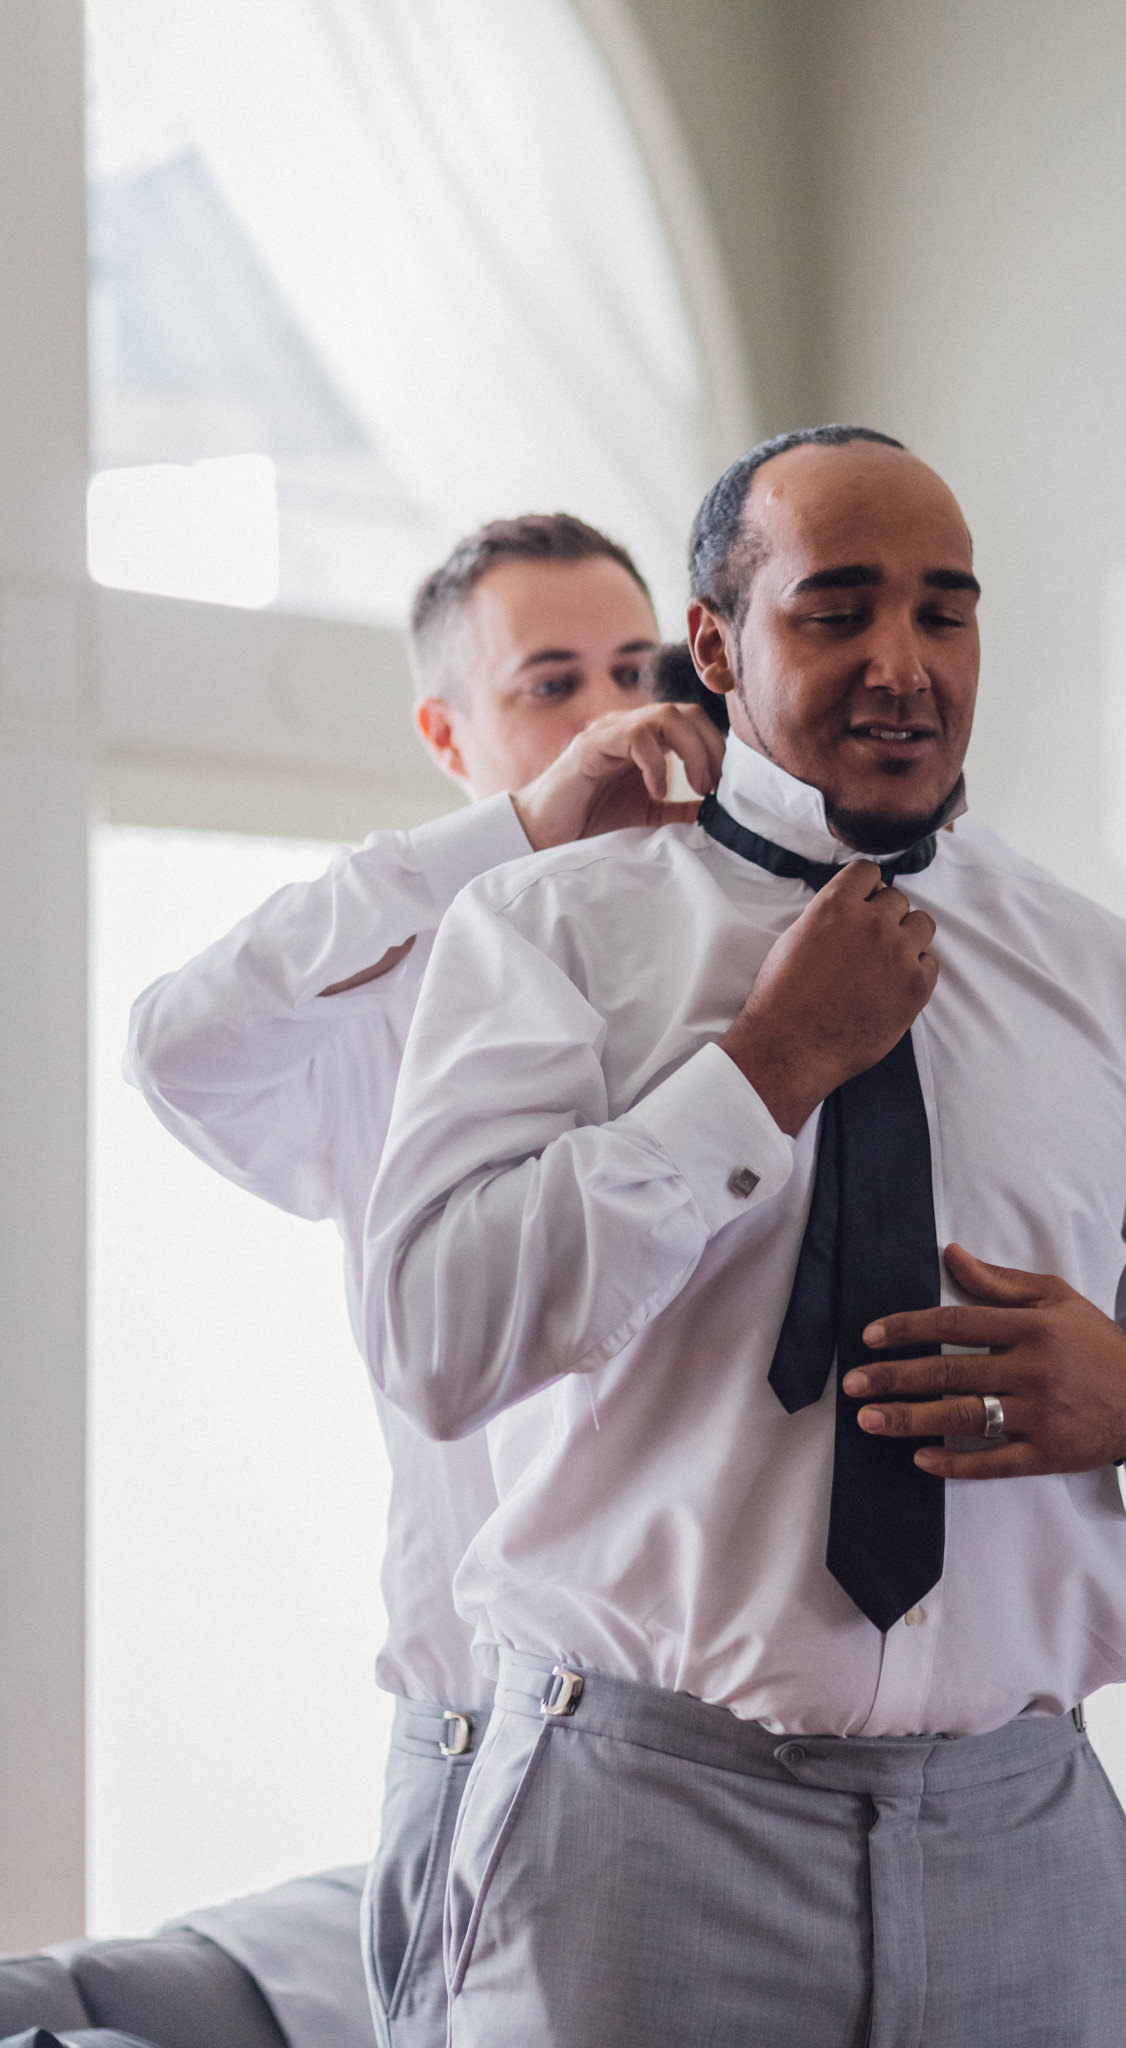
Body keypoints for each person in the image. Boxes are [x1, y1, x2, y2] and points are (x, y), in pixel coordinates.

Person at [361, 428, 1126, 2048]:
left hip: (1023, 1846)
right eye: (837, 610)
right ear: (716, 643)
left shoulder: (1119, 983)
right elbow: (433, 1340)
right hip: (640, 1839)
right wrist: (762, 1073)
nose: (902, 664)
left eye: (945, 614)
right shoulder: (546, 936)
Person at [123, 511, 726, 2048]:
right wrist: (508, 843)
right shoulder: (376, 1017)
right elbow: (175, 1042)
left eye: (633, 666)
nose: (610, 714)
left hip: (740, 1751)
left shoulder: (750, 959)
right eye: (549, 684)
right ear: (446, 733)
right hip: (491, 1734)